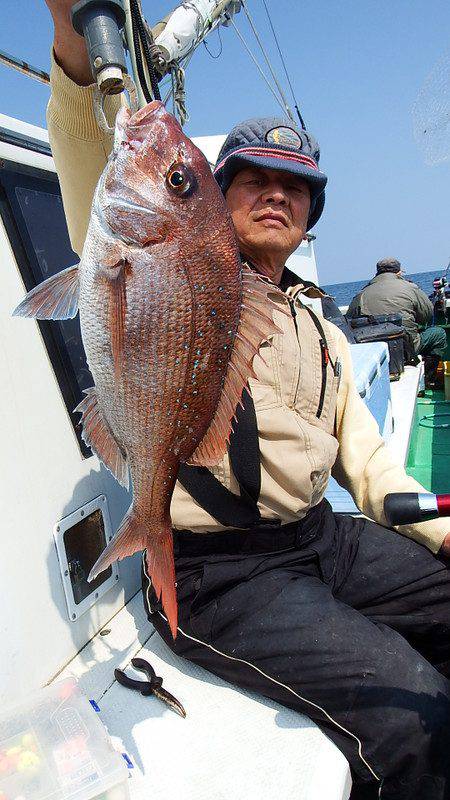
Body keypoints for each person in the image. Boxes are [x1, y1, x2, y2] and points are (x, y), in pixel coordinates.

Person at [44, 3, 450, 797]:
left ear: (310, 215)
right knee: (406, 719)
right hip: (220, 575)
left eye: (295, 187)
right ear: (214, 200)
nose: (276, 195)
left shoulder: (320, 324)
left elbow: (367, 461)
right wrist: (71, 36)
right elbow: (91, 149)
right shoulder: (168, 263)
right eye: (253, 179)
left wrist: (439, 529)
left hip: (323, 538)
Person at [347, 257, 447, 381]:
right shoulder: (410, 288)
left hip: (375, 353)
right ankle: (429, 379)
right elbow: (427, 316)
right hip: (407, 349)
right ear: (399, 272)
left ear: (377, 273)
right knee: (439, 334)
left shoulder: (361, 294)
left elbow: (350, 323)